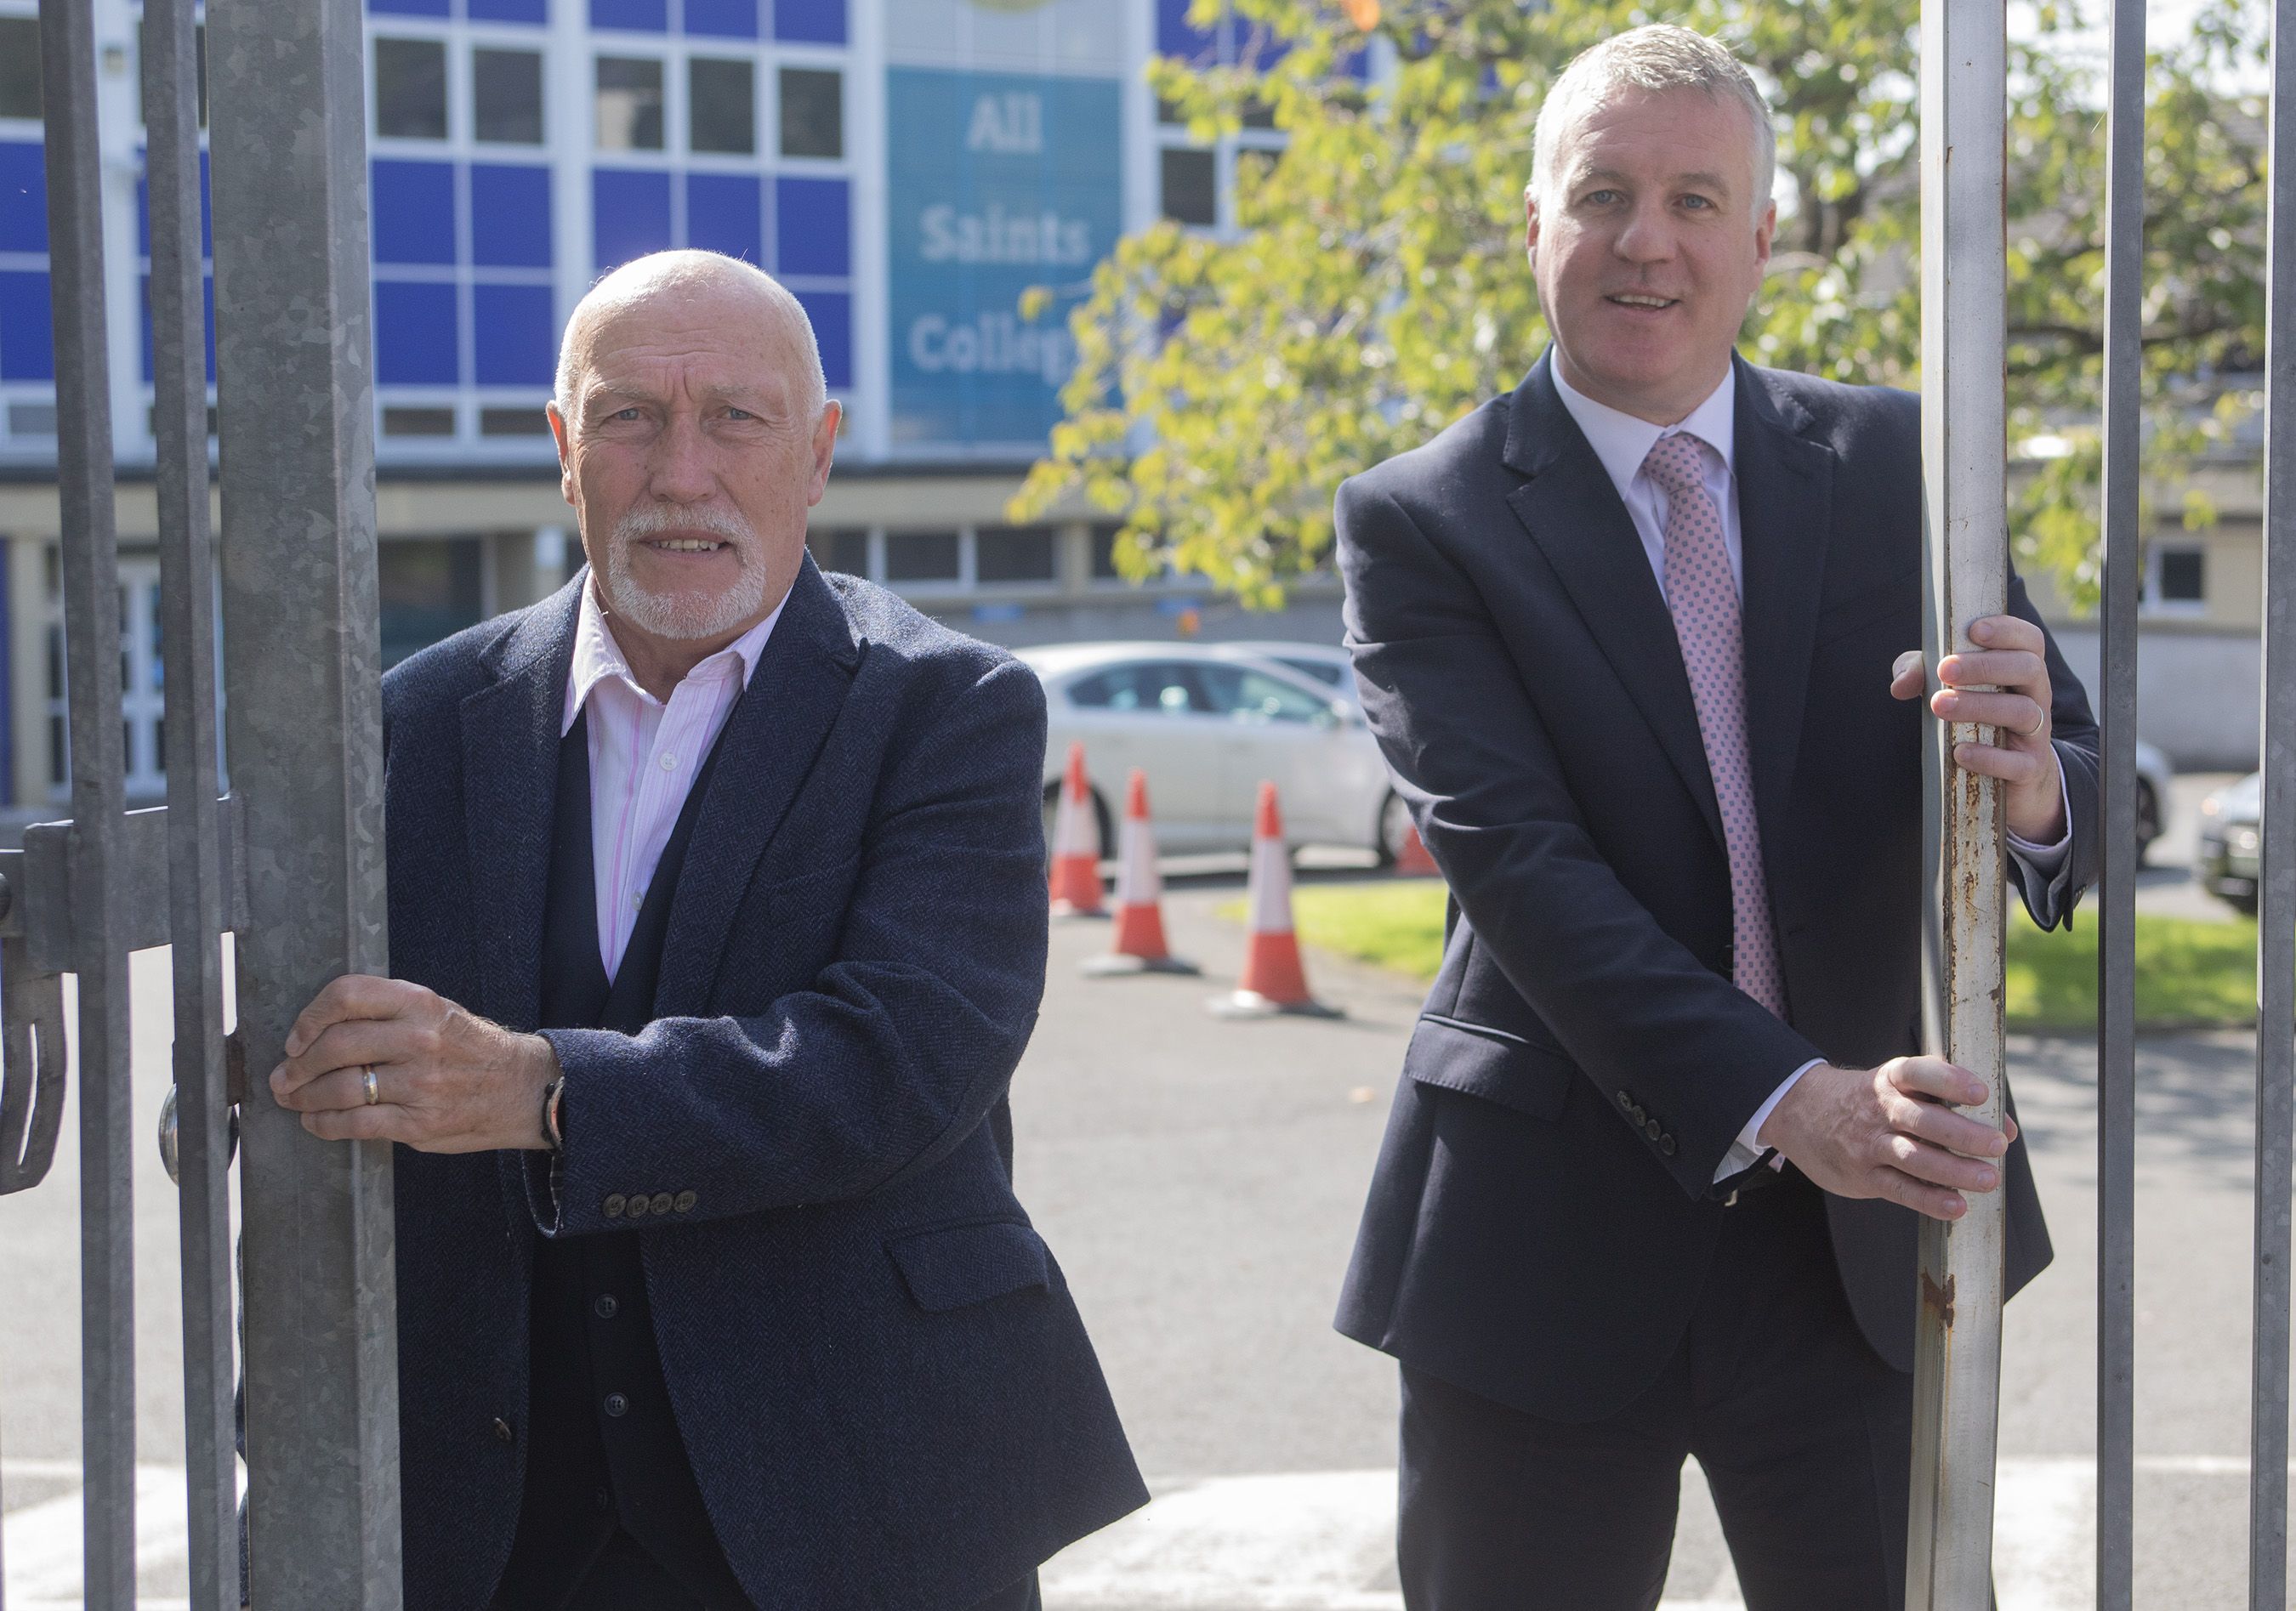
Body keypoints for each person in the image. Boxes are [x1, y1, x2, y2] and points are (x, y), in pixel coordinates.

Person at [1330, 26, 2099, 1608]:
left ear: (1762, 239)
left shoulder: (1903, 462)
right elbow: (1521, 871)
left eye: (1696, 198)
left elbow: (2072, 768)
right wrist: (1787, 1097)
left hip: (1868, 1256)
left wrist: (2036, 793)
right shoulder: (1424, 518)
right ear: (1532, 223)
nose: (1646, 241)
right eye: (1602, 193)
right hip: (1545, 1251)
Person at [265, 250, 1145, 1610]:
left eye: (735, 417)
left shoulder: (947, 708)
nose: (683, 472)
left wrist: (541, 1090)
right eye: (630, 417)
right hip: (497, 1517)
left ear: (819, 453)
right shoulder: (415, 722)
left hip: (851, 1485)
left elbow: (901, 1058)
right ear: (564, 449)